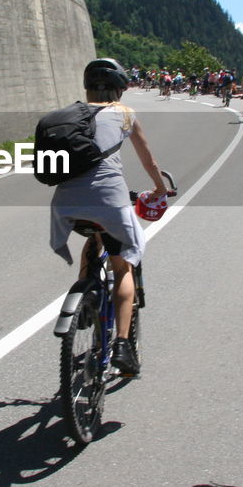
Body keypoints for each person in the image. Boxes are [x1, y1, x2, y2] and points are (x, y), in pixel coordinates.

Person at [49, 58, 173, 376]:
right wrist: (160, 189)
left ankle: (85, 296)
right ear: (119, 89)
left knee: (93, 234)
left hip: (64, 205)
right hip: (109, 202)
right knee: (123, 263)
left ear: (87, 87)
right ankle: (122, 344)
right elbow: (149, 160)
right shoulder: (124, 115)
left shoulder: (67, 116)